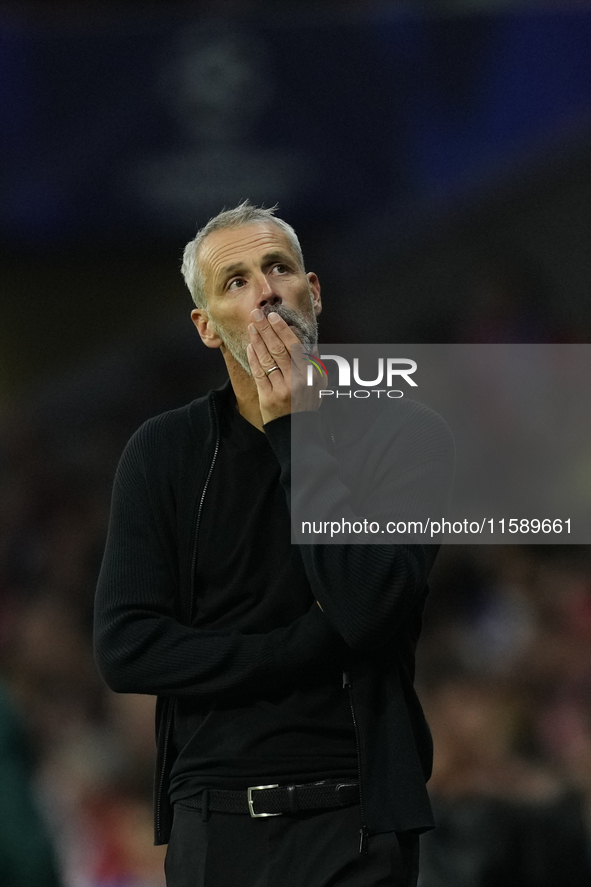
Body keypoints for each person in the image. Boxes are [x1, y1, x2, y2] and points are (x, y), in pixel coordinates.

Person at [94, 202, 452, 887]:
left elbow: (367, 607)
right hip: (212, 822)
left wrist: (295, 428)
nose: (262, 290)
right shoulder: (161, 452)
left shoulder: (405, 435)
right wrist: (304, 645)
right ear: (205, 327)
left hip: (356, 819)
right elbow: (126, 647)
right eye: (233, 281)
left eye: (277, 268)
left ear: (310, 292)